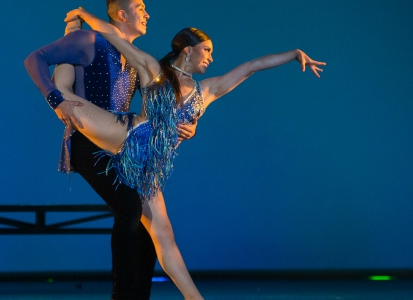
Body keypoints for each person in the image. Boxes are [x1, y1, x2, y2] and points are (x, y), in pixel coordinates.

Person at [27, 7, 326, 299]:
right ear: (188, 51)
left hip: (149, 166)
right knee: (68, 100)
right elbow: (112, 35)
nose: (211, 57)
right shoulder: (156, 74)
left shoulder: (205, 91)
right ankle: (68, 44)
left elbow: (250, 67)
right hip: (127, 136)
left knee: (163, 236)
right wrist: (83, 17)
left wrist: (294, 54)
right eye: (206, 50)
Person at [24, 1, 197, 299]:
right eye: (139, 6)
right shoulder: (89, 40)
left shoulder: (136, 59)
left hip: (125, 147)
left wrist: (189, 127)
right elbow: (34, 59)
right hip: (90, 143)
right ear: (121, 14)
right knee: (129, 206)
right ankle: (122, 294)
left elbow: (165, 105)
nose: (147, 13)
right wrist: (56, 99)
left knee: (146, 223)